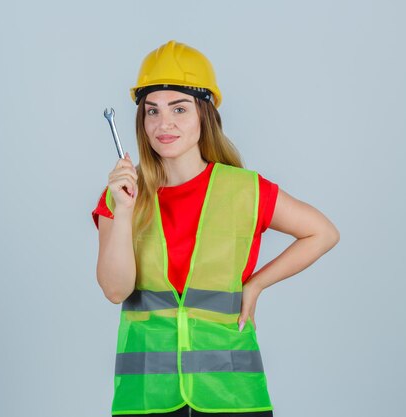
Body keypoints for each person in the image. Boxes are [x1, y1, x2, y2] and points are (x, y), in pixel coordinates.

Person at [92, 40, 340, 417]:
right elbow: (115, 290)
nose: (164, 124)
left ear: (204, 115)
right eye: (152, 111)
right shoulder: (122, 195)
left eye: (179, 108)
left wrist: (255, 285)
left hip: (231, 394)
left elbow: (323, 232)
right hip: (147, 397)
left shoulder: (245, 190)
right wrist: (124, 211)